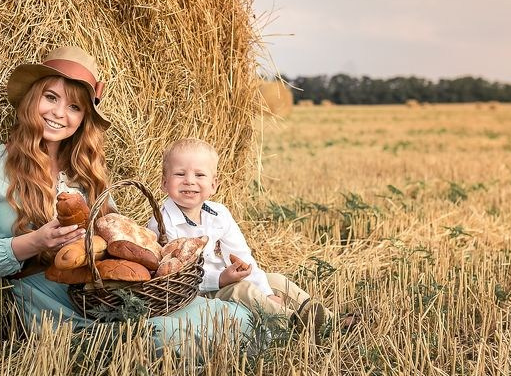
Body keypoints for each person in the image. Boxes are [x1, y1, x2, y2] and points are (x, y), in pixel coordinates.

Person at [0, 46, 251, 350]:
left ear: (83, 117)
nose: (59, 113)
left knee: (228, 320)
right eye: (51, 97)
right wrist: (36, 242)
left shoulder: (85, 171)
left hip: (98, 289)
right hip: (43, 293)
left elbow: (113, 238)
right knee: (158, 336)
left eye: (74, 107)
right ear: (32, 98)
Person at [147, 138, 358, 338]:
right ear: (164, 183)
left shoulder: (219, 214)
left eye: (200, 175)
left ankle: (329, 321)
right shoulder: (162, 224)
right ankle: (293, 324)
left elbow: (241, 254)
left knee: (276, 280)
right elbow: (173, 276)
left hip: (225, 279)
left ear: (214, 185)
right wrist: (220, 279)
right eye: (180, 174)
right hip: (193, 291)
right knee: (242, 289)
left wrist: (266, 292)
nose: (189, 181)